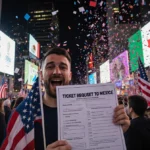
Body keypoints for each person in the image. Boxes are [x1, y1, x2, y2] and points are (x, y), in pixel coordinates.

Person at [1, 47, 130, 150]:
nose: (57, 72)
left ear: (70, 75)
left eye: (62, 67)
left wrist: (119, 133)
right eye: (50, 67)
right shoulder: (23, 115)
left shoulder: (92, 111)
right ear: (41, 74)